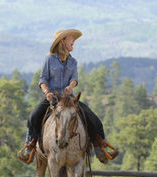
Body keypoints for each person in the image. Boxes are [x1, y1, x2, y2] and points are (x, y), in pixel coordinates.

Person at [17, 29, 119, 164]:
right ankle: (29, 149)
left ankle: (100, 149)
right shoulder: (48, 59)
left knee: (93, 118)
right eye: (71, 38)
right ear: (62, 41)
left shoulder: (73, 62)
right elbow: (42, 80)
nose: (74, 41)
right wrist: (47, 92)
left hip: (68, 99)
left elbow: (75, 78)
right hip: (51, 98)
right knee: (33, 117)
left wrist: (71, 86)